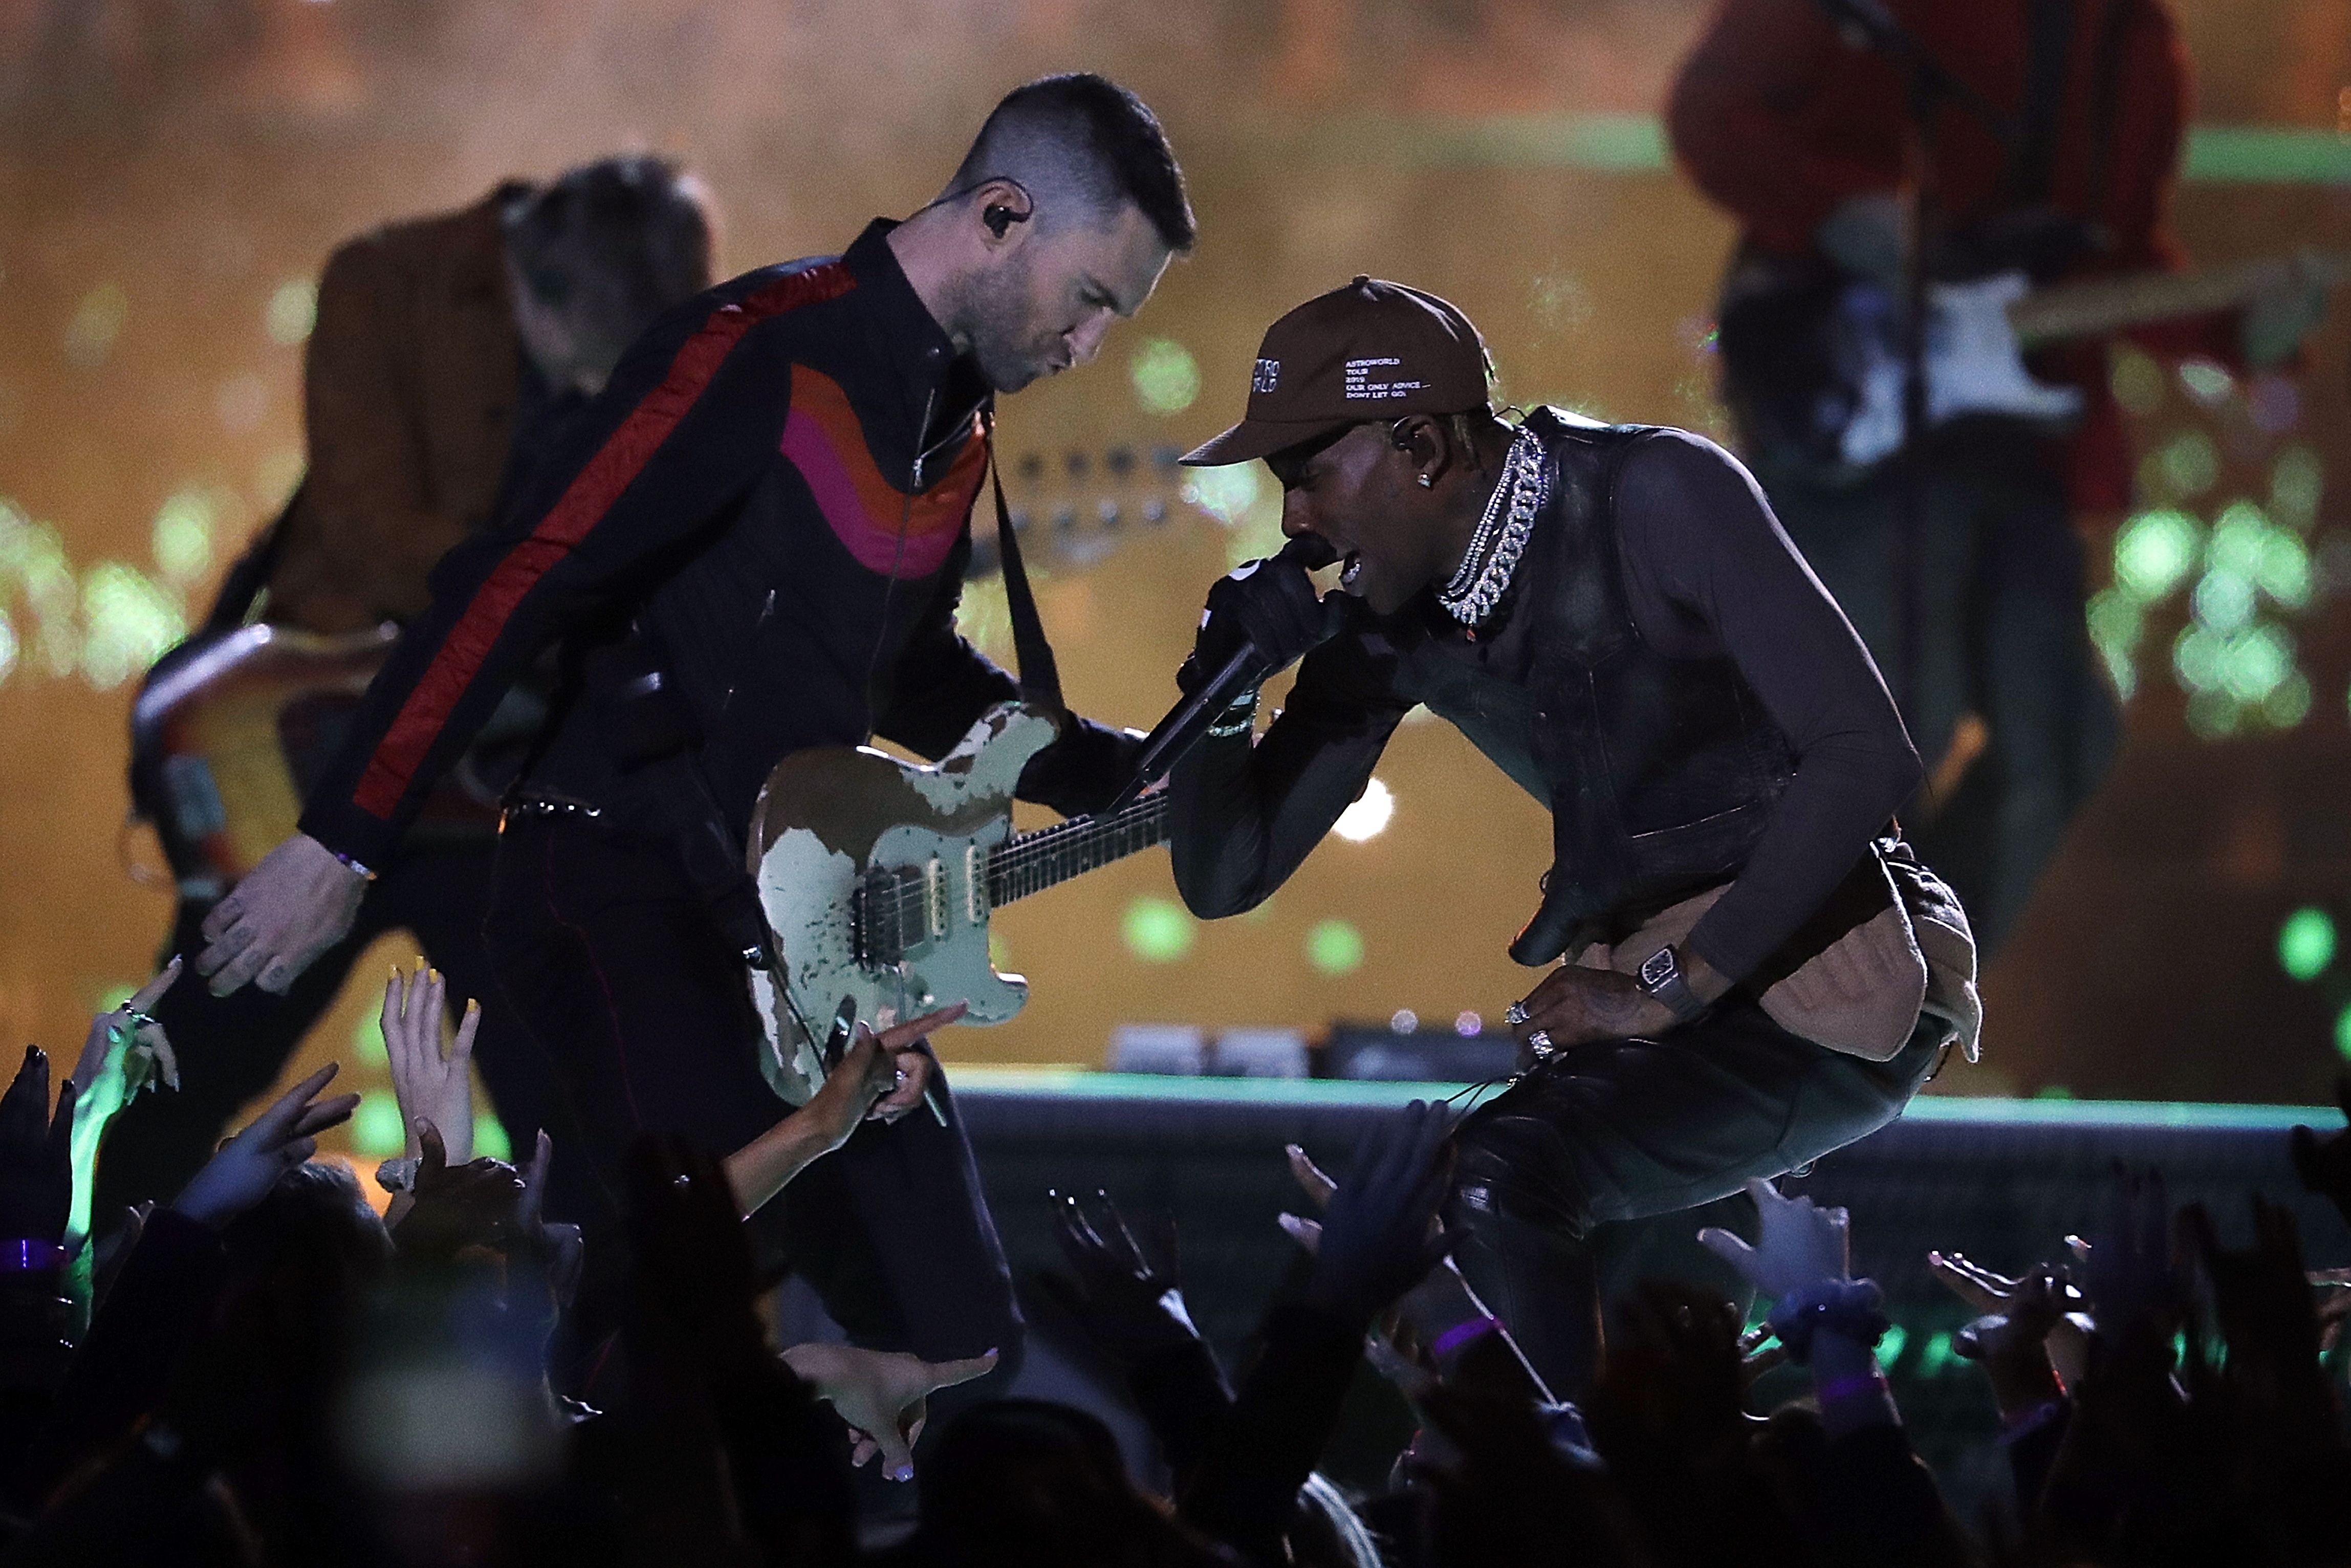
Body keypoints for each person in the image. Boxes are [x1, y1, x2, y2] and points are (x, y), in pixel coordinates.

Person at [189, 73, 1195, 1377]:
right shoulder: (759, 347)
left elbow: (909, 674)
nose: (1087, 345)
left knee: (960, 1341)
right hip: (613, 878)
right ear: (1003, 213)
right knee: (692, 1284)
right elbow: (523, 576)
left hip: (804, 930)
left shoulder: (951, 432)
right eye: (1093, 298)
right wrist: (342, 841)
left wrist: (1125, 769)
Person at [1161, 276, 1979, 1397]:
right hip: (1659, 1005)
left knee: (1500, 1176)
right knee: (1477, 1231)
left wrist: (1665, 986)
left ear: (1419, 443)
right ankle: (1584, 1487)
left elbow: (1864, 755)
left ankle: (1549, 1500)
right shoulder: (1382, 623)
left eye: (1305, 474)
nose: (1293, 517)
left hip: (1830, 966)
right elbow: (1225, 876)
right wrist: (1219, 691)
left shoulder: (1656, 494)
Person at [105, 158, 719, 1228]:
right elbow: (364, 533)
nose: (588, 391)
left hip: (487, 801)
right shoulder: (384, 281)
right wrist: (565, 589)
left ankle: (589, 1365)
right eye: (586, 360)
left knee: (572, 1103)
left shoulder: (628, 326)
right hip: (319, 762)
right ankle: (63, 1318)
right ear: (542, 288)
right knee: (186, 1069)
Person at [1665, 0, 2332, 956]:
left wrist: (2237, 336)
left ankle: (1897, 1010)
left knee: (2058, 739)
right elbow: (1707, 114)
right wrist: (1834, 207)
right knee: (1889, 733)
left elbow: (2108, 261)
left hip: (2024, 438)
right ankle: (1793, 1015)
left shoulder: (2138, 43)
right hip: (1861, 412)